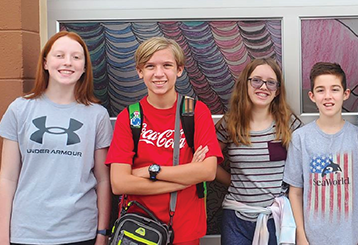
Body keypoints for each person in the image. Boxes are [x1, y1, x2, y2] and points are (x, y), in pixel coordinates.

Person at [105, 37, 223, 245]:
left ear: (179, 70)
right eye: (150, 66)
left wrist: (151, 171)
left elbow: (207, 171)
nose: (159, 74)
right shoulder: (130, 117)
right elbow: (119, 183)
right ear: (140, 72)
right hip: (138, 231)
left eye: (167, 65)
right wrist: (187, 177)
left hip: (185, 231)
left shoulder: (195, 112)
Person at [0, 31, 113, 244]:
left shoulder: (97, 115)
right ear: (45, 62)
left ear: (85, 67)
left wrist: (102, 233)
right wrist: (2, 237)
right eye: (59, 55)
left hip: (81, 233)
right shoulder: (19, 109)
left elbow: (103, 179)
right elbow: (7, 178)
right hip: (27, 232)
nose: (67, 62)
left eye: (76, 57)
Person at [214, 58, 302, 244]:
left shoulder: (288, 123)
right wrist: (234, 182)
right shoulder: (230, 123)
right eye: (256, 80)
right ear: (245, 83)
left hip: (275, 217)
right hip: (236, 219)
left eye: (271, 82)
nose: (263, 86)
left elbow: (302, 166)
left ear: (277, 90)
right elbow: (209, 164)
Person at [282, 62, 358, 245]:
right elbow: (295, 192)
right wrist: (301, 235)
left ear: (346, 94)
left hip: (351, 238)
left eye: (335, 89)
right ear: (312, 96)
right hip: (312, 239)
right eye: (321, 90)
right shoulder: (300, 139)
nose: (328, 96)